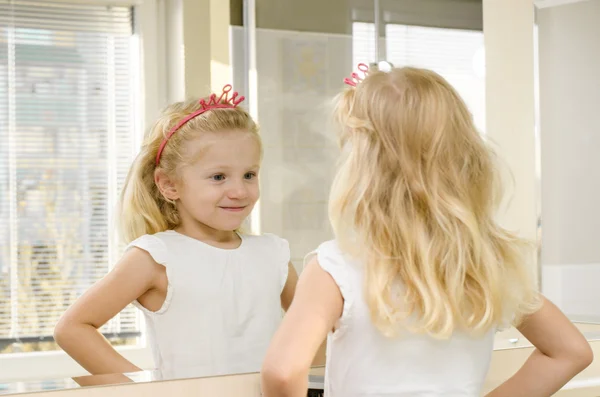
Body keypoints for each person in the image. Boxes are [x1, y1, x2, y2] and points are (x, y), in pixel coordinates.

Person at [261, 64, 593, 396]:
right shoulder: (486, 262)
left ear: (360, 166)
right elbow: (569, 351)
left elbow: (283, 372)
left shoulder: (336, 266)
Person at [54, 85, 298, 380]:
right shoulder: (157, 256)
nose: (239, 190)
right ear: (169, 185)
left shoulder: (273, 253)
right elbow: (73, 328)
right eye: (218, 177)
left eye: (249, 174)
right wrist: (147, 390)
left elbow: (317, 331)